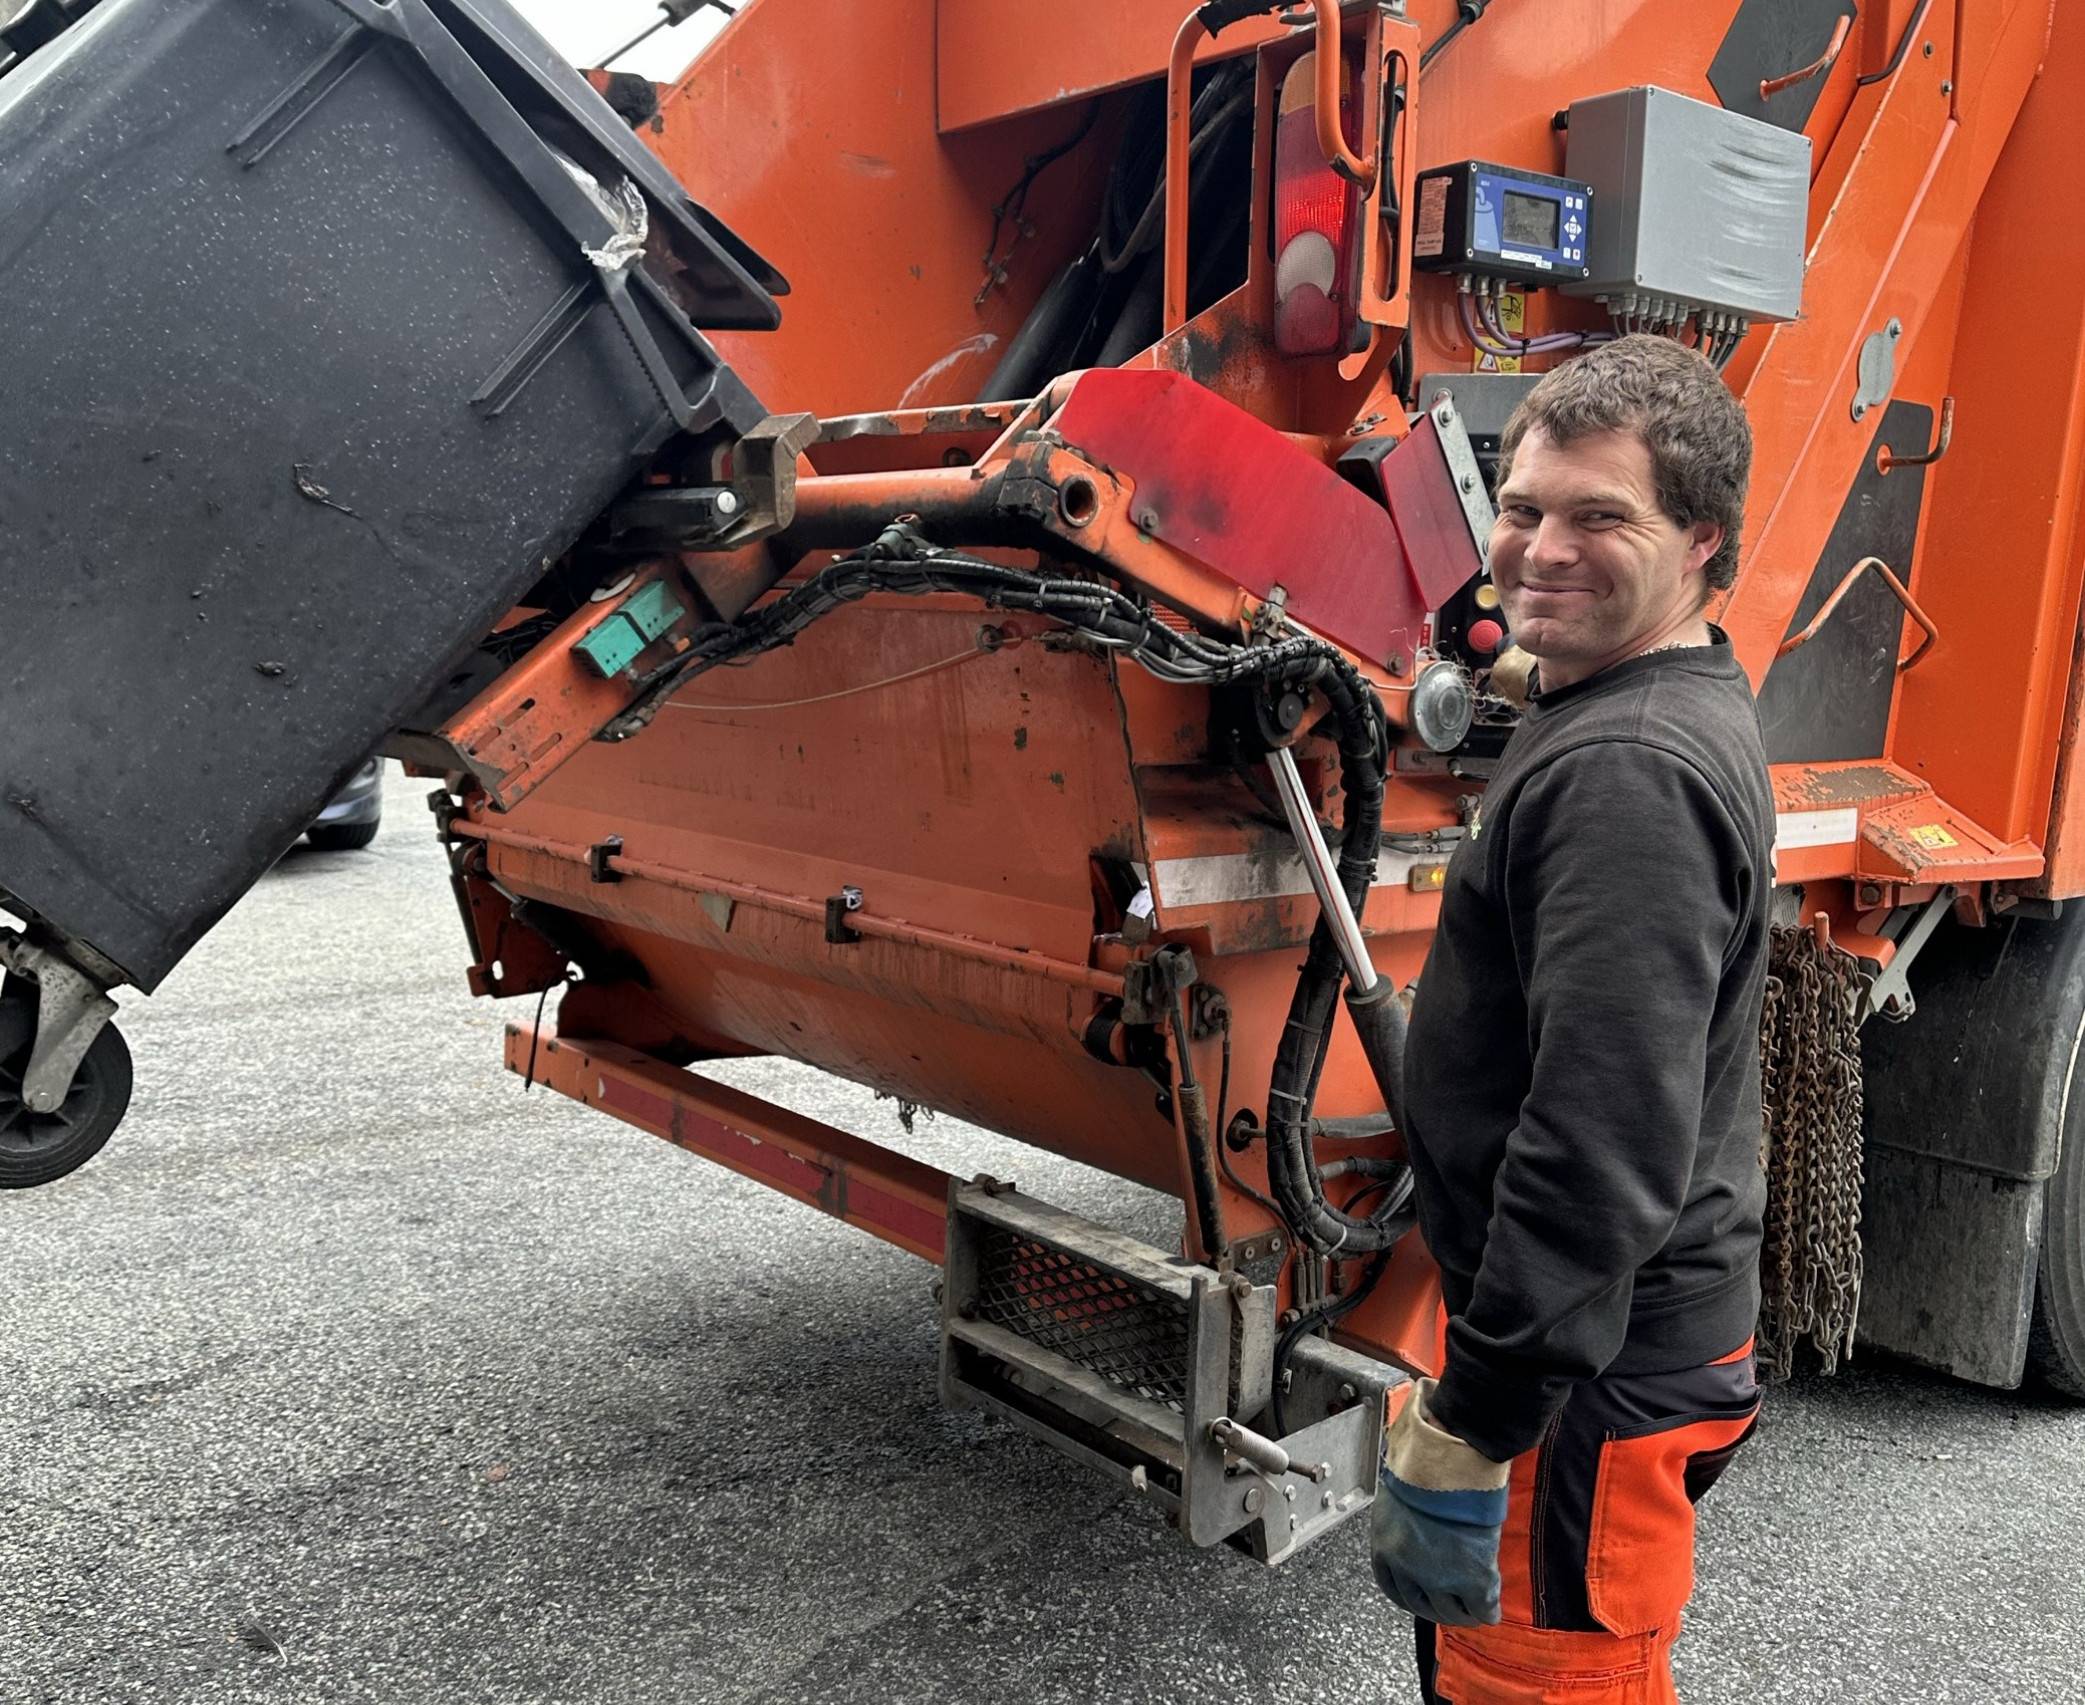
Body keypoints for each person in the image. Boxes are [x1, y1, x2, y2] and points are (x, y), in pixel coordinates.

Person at [1372, 335, 1774, 1704]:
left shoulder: (1627, 777)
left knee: (1536, 1681)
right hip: (1603, 1345)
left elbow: (1597, 1153)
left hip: (1585, 1378)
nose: (1539, 550)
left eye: (1601, 517)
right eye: (1523, 508)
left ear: (1703, 542)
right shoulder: (1645, 693)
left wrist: (1478, 1413)